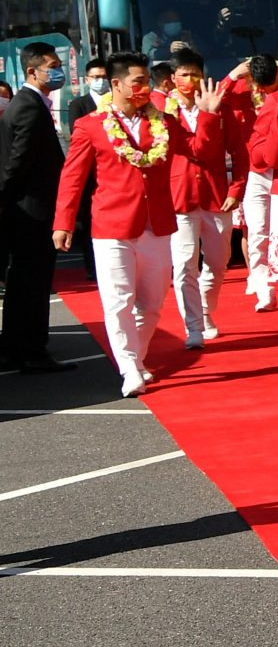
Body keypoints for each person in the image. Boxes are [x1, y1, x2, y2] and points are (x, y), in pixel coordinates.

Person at [53, 54, 180, 396]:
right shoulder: (91, 125)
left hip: (156, 223)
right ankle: (128, 367)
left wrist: (207, 112)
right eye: (137, 82)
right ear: (116, 85)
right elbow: (73, 177)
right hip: (112, 224)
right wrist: (63, 222)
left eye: (146, 83)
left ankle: (135, 359)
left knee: (152, 304)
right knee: (118, 300)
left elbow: (196, 147)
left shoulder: (164, 122)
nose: (143, 89)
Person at [162, 49, 245, 349]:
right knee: (184, 264)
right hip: (179, 197)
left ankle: (207, 310)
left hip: (216, 196)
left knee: (218, 263)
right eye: (183, 74)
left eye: (195, 74)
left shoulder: (221, 109)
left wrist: (236, 189)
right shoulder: (161, 111)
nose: (189, 80)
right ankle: (193, 326)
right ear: (172, 79)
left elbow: (239, 152)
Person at [0, 42, 69, 372]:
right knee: (34, 281)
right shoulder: (28, 105)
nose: (58, 72)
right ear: (32, 71)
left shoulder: (31, 103)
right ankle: (32, 350)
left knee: (23, 282)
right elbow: (18, 162)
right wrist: (8, 197)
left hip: (28, 206)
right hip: (32, 209)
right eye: (53, 66)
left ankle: (16, 346)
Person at [235, 56, 278, 311]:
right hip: (256, 173)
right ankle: (262, 287)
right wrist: (234, 73)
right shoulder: (241, 93)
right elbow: (217, 99)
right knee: (257, 231)